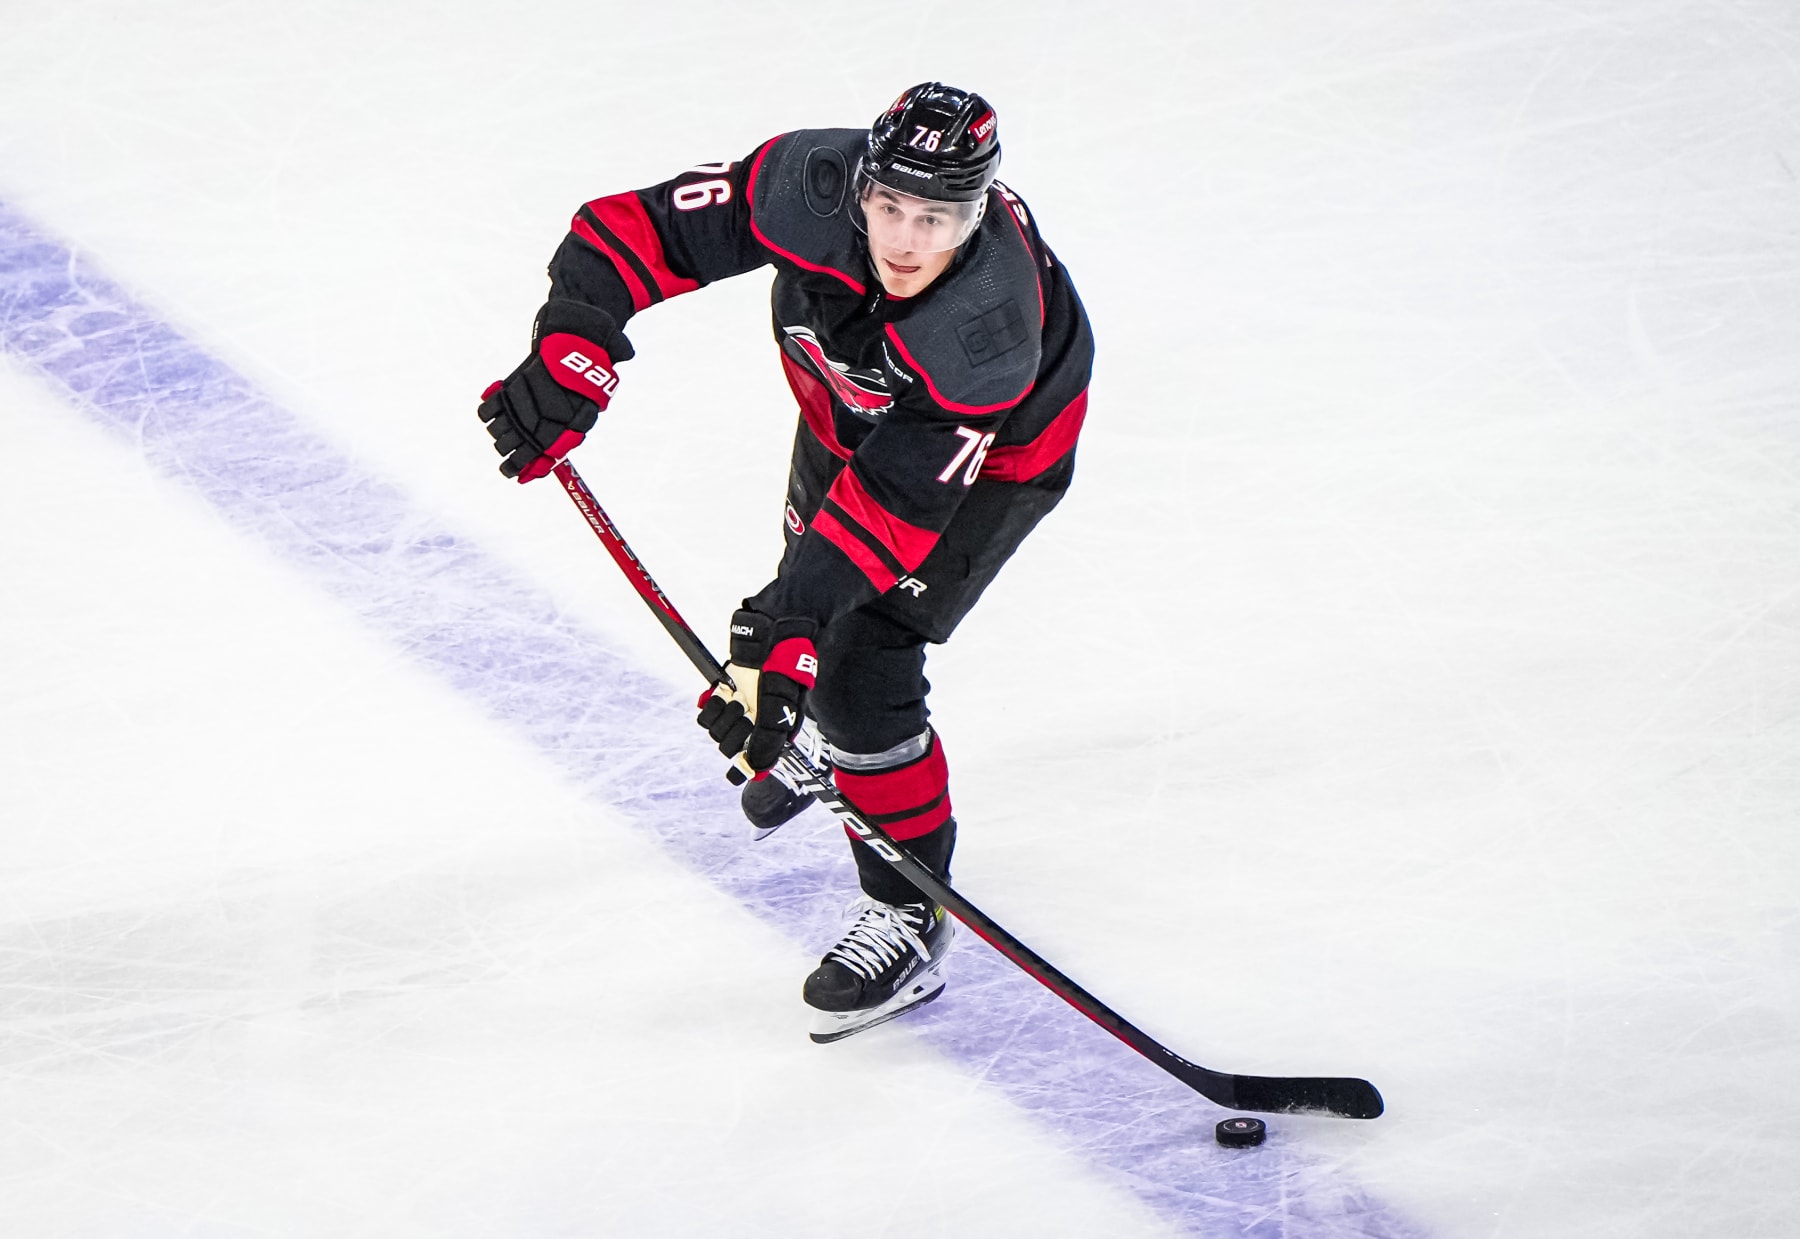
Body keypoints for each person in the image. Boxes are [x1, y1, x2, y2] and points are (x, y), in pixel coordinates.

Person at [478, 83, 1094, 1042]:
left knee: (858, 655)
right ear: (862, 186)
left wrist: (796, 622)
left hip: (991, 459)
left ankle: (909, 910)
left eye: (935, 219)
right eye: (890, 206)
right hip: (843, 404)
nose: (905, 240)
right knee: (802, 614)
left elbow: (890, 510)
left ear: (975, 214)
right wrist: (573, 343)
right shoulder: (806, 180)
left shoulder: (986, 333)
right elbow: (630, 231)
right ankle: (815, 730)